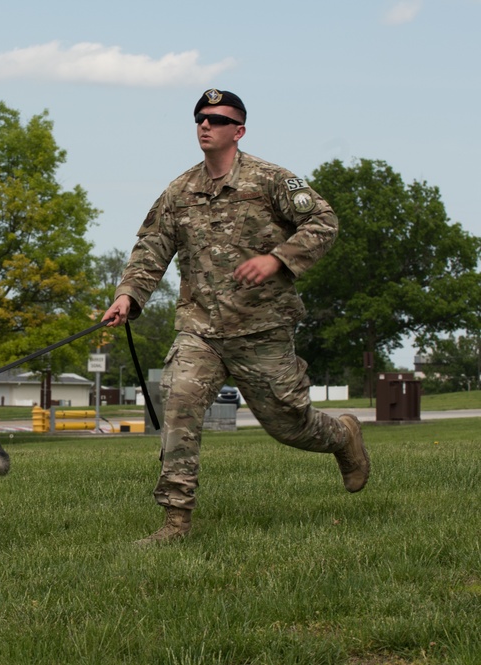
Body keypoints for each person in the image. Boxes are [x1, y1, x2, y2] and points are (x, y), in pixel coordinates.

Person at [102, 88, 370, 545]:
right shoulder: (179, 191)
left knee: (290, 425)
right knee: (179, 400)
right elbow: (151, 248)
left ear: (238, 130)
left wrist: (278, 259)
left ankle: (342, 436)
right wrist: (129, 294)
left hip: (262, 328)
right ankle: (175, 521)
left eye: (217, 119)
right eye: (200, 117)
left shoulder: (271, 181)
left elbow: (323, 222)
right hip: (200, 330)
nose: (205, 124)